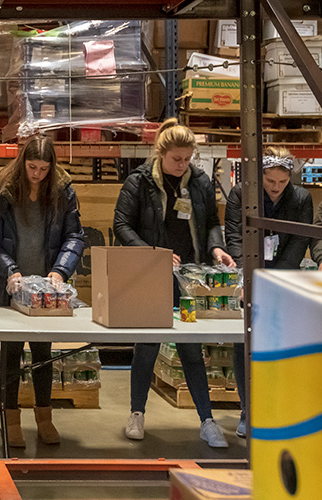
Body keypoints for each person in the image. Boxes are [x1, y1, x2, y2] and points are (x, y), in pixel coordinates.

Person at [113, 118, 235, 448]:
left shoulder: (199, 182)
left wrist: (217, 247)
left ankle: (207, 421)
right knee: (148, 345)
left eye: (187, 159)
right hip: (151, 274)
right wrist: (153, 254)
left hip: (190, 275)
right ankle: (136, 413)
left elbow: (211, 221)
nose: (182, 165)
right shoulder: (139, 182)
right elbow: (121, 226)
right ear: (161, 153)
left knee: (191, 348)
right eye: (176, 159)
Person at [0, 135, 84, 448]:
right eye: (32, 166)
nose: (37, 174)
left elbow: (75, 237)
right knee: (9, 354)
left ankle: (44, 417)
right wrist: (9, 269)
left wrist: (60, 271)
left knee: (42, 354)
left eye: (44, 168)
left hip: (45, 292)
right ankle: (11, 418)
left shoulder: (62, 193)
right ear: (22, 162)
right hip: (9, 288)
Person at [224, 146, 313, 438]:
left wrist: (275, 281)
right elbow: (235, 236)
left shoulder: (301, 199)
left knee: (280, 344)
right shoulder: (241, 194)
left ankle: (276, 410)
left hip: (282, 276)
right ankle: (248, 410)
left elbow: (299, 241)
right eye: (270, 181)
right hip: (249, 274)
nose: (275, 188)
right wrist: (248, 276)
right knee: (245, 343)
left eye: (282, 183)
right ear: (259, 176)